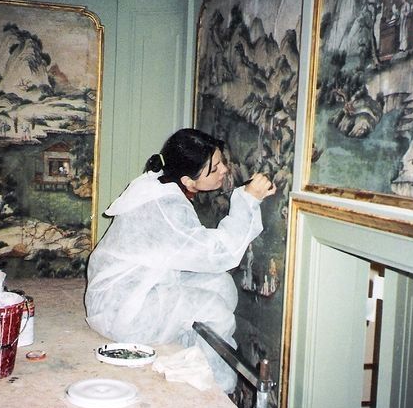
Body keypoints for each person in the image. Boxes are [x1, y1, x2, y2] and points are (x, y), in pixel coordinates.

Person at [84, 128, 276, 392]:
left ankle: (190, 351)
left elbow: (204, 256)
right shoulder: (167, 207)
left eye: (221, 161)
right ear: (188, 180)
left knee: (221, 285)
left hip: (138, 284)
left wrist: (246, 199)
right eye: (214, 168)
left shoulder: (163, 182)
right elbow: (220, 253)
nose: (224, 170)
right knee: (215, 310)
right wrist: (248, 200)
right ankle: (215, 391)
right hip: (122, 310)